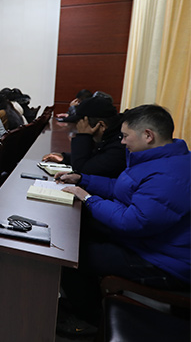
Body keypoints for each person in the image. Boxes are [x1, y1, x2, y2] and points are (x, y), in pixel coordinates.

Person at [56, 105, 190, 332]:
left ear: (148, 135)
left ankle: (89, 319)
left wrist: (88, 198)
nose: (122, 142)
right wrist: (83, 179)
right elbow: (121, 189)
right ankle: (83, 300)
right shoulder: (156, 158)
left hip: (164, 262)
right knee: (75, 233)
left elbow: (133, 221)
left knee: (72, 254)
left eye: (126, 136)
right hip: (148, 242)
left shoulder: (168, 174)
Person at [42, 96, 126, 178]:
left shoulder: (120, 145)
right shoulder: (110, 136)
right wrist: (65, 158)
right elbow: (95, 158)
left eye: (82, 127)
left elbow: (81, 170)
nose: (78, 130)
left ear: (101, 125)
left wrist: (83, 136)